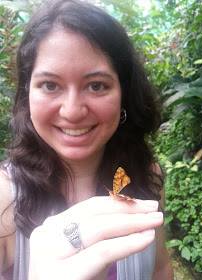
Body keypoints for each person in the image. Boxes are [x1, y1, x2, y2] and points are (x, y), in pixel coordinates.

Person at [0, 0, 173, 279]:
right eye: (50, 85)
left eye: (96, 85)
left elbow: (160, 269)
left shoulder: (146, 175)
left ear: (123, 94)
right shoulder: (4, 198)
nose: (72, 111)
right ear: (26, 93)